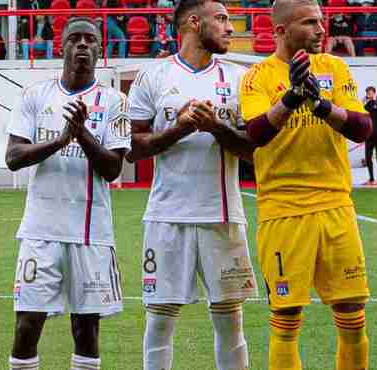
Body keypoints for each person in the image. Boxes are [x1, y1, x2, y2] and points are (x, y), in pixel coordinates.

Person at [240, 0, 377, 368]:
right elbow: (256, 133)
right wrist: (292, 97)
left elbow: (362, 128)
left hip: (336, 205)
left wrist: (318, 104)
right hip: (283, 209)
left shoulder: (334, 66)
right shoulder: (257, 76)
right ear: (282, 30)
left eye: (322, 21)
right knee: (286, 318)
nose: (321, 29)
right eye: (310, 23)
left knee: (352, 312)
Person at [122, 0, 257, 368]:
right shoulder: (153, 76)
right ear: (194, 23)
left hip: (225, 217)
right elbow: (132, 150)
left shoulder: (240, 78)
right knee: (161, 318)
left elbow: (254, 153)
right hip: (167, 217)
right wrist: (180, 128)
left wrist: (215, 127)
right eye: (222, 19)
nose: (231, 28)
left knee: (231, 320)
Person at [2, 18, 131, 370]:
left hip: (91, 235)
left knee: (86, 328)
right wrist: (60, 140)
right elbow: (13, 158)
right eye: (75, 39)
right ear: (62, 47)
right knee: (27, 325)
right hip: (39, 233)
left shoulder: (115, 100)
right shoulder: (35, 96)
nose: (82, 46)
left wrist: (83, 135)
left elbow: (112, 169)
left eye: (90, 40)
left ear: (100, 50)